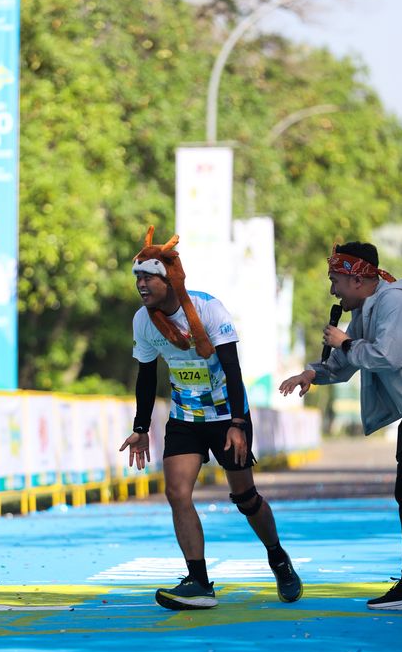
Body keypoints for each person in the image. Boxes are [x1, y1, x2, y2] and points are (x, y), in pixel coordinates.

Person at [120, 226, 302, 611]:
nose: (141, 284)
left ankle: (278, 557)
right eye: (137, 278)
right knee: (176, 493)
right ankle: (199, 582)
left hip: (225, 415)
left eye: (148, 277)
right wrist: (140, 428)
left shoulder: (208, 309)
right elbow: (147, 376)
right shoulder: (143, 320)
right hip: (185, 417)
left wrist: (238, 424)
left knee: (245, 497)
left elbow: (233, 370)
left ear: (169, 278)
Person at [279, 242, 402, 611]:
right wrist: (312, 373)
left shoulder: (396, 302)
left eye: (335, 281)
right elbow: (346, 363)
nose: (333, 291)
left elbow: (388, 356)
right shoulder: (367, 309)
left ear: (357, 279)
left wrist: (345, 342)